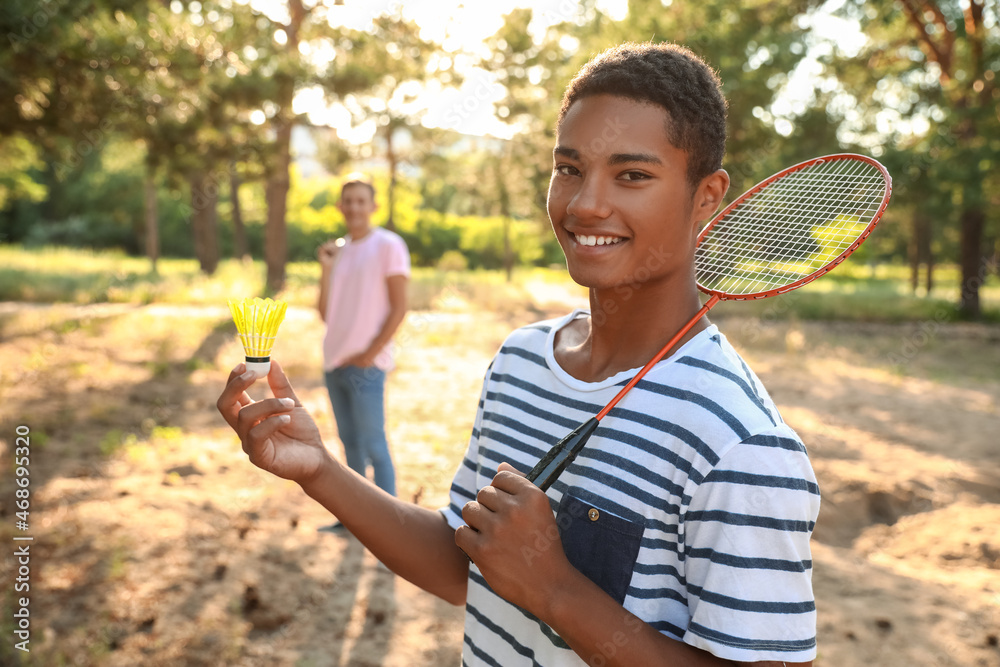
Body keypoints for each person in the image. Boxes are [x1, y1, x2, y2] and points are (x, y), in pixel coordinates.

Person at [218, 42, 819, 666]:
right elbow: (462, 566)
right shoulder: (522, 361)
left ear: (706, 196)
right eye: (569, 168)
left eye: (632, 175)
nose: (586, 203)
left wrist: (555, 590)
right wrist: (318, 468)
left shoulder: (743, 444)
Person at [315, 176, 410, 530]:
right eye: (347, 201)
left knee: (373, 443)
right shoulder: (337, 251)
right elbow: (325, 312)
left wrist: (370, 354)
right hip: (334, 361)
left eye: (360, 201)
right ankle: (352, 520)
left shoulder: (389, 245)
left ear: (373, 206)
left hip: (366, 366)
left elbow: (400, 307)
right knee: (349, 445)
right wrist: (326, 268)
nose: (354, 207)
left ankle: (391, 526)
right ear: (340, 207)